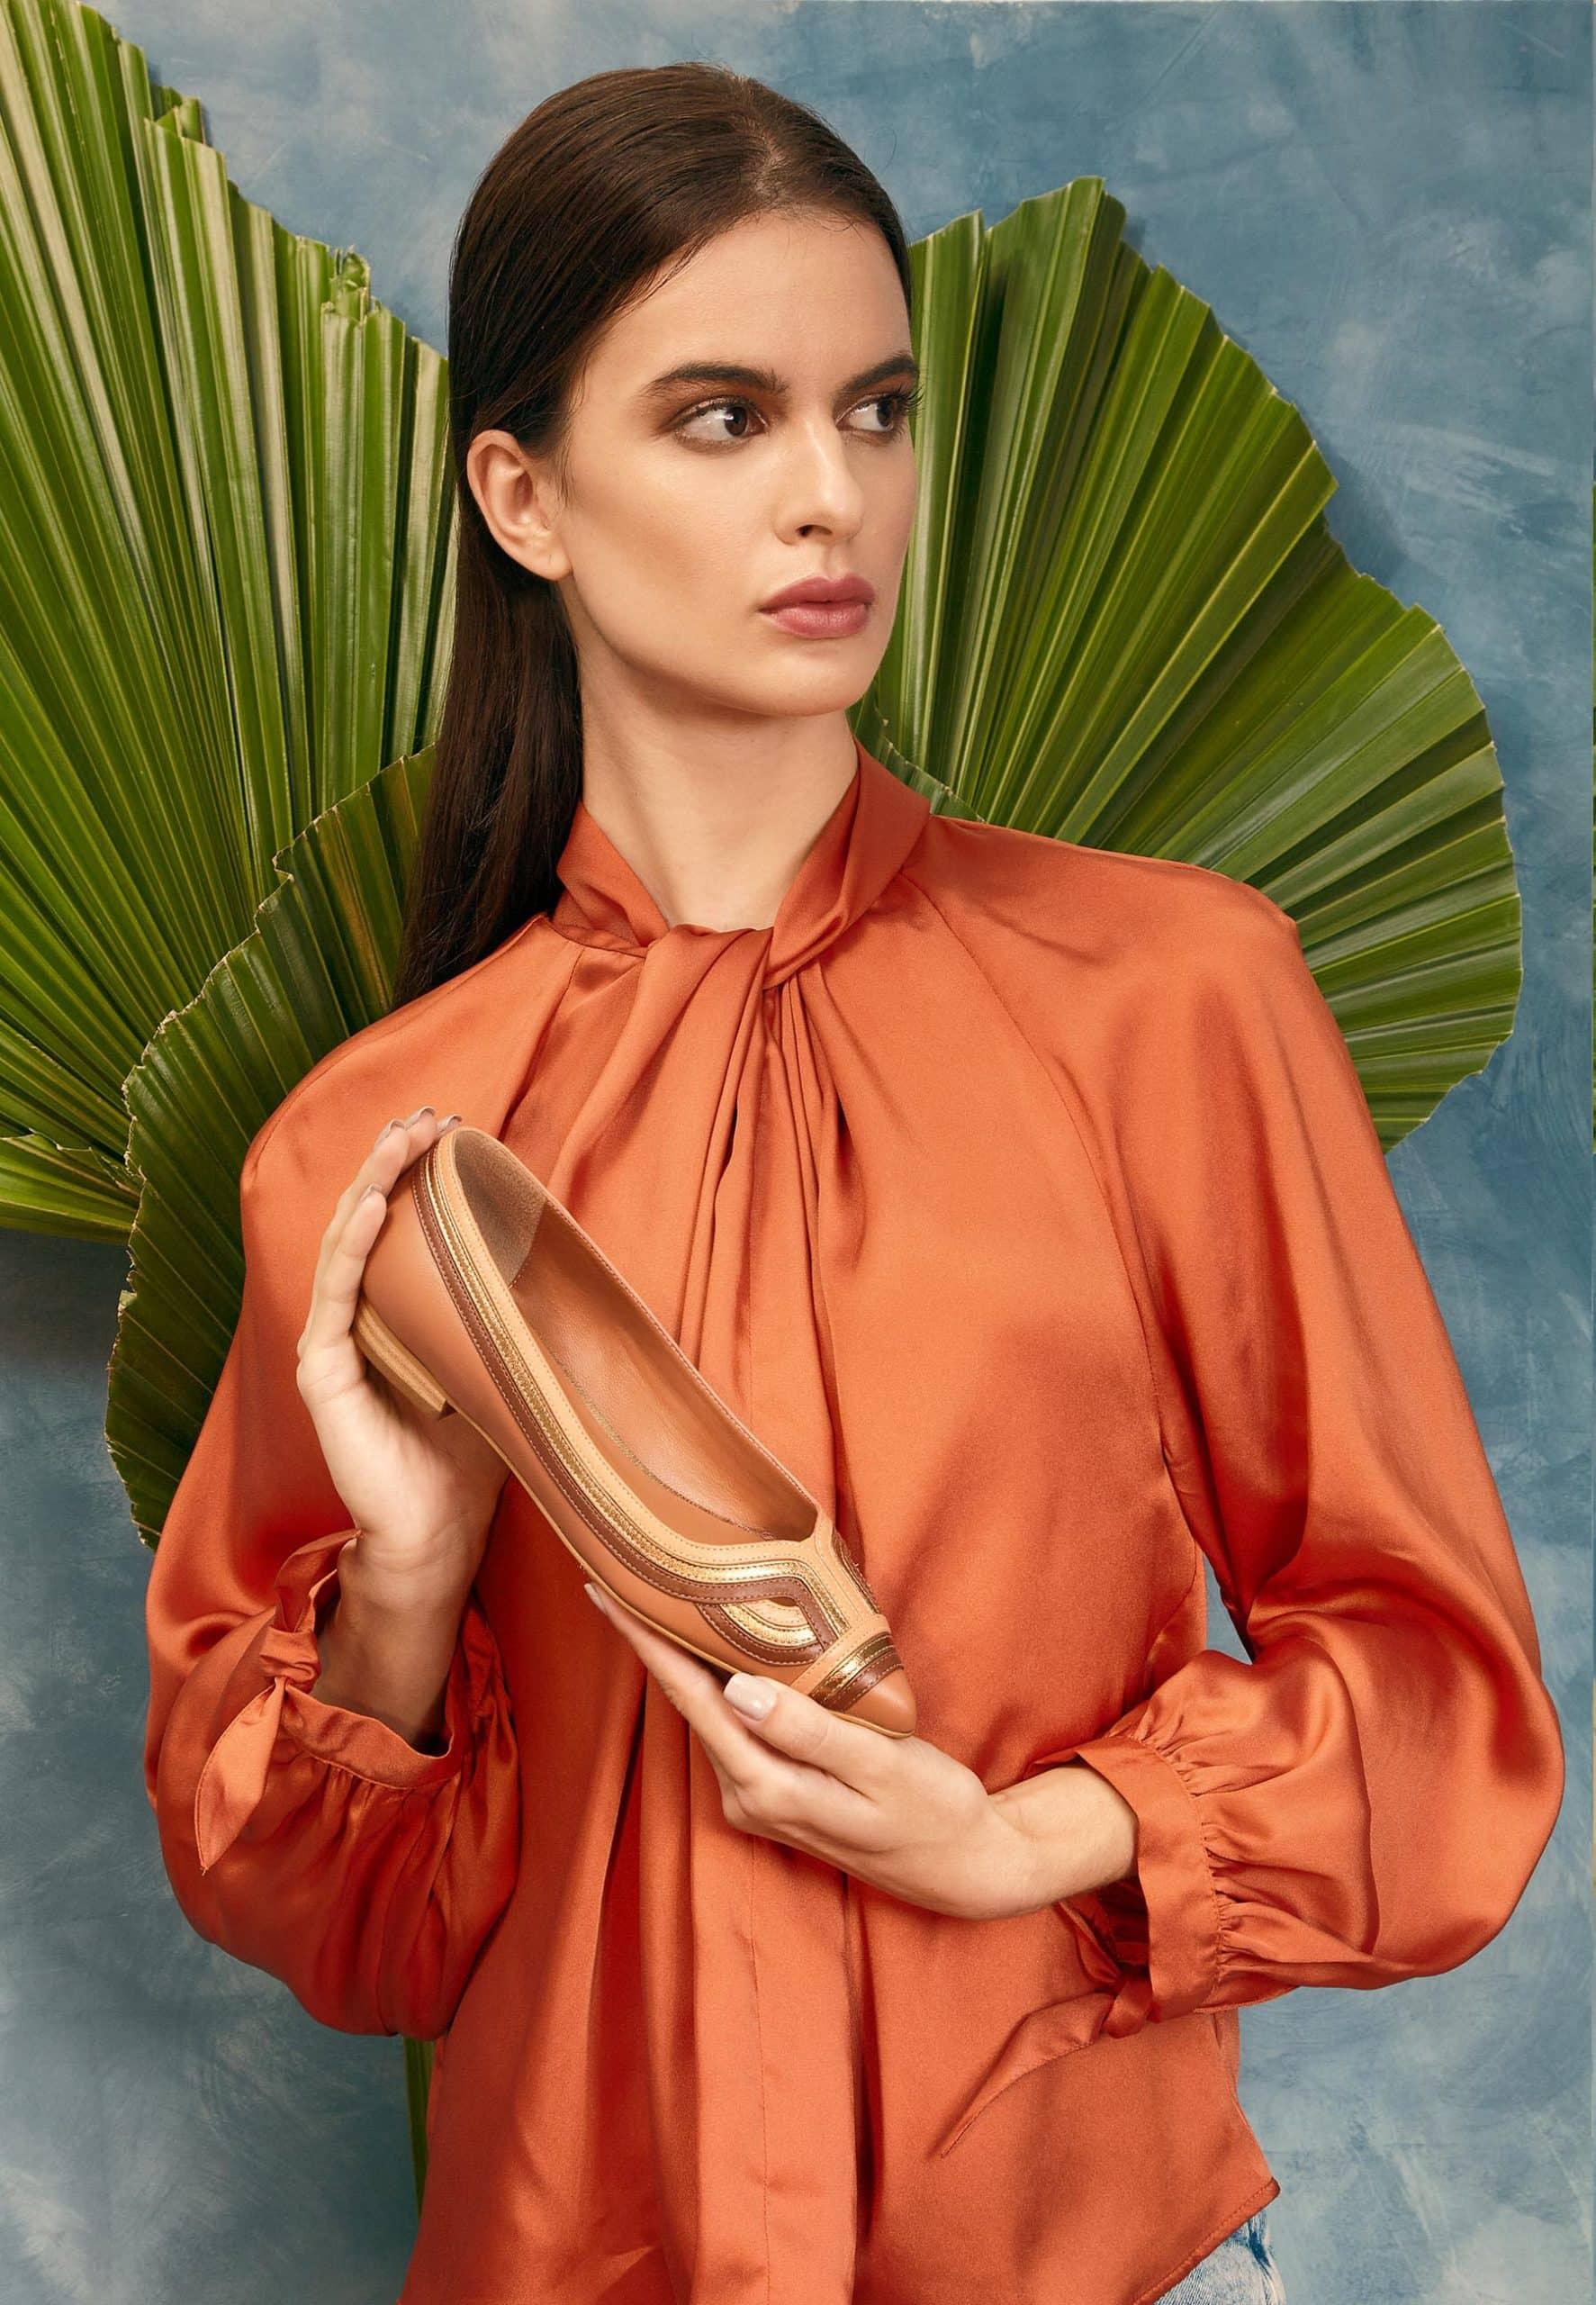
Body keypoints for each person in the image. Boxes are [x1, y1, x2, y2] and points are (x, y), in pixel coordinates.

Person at [141, 62, 1564, 2305]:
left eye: (874, 411)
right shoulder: (383, 1147)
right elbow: (328, 1915)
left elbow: (1434, 1685)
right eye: (722, 417)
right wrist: (407, 1587)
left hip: (1086, 2248)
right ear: (523, 495)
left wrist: (1026, 1837)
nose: (832, 497)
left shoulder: (1166, 993)